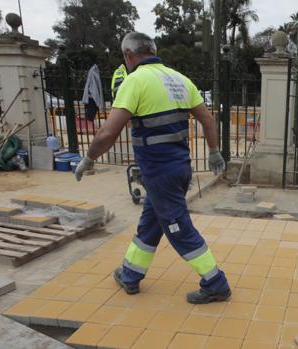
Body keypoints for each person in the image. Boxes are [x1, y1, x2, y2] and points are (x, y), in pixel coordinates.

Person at [75, 32, 231, 304]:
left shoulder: (135, 81)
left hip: (159, 172)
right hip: (180, 169)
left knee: (178, 228)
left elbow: (107, 134)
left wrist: (88, 159)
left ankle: (216, 283)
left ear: (128, 55)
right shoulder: (180, 79)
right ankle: (130, 274)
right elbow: (207, 118)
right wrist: (214, 152)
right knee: (150, 223)